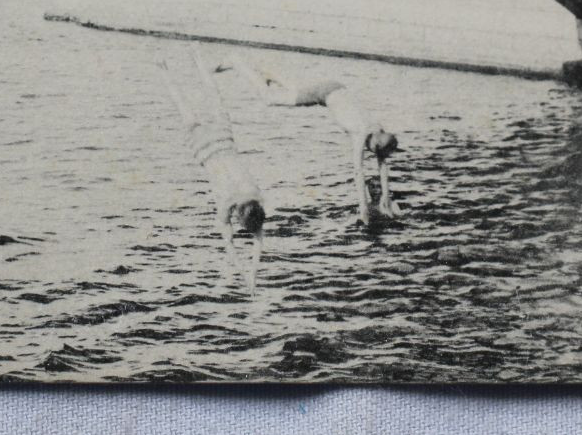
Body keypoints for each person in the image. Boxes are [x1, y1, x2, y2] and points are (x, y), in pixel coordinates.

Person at [232, 55, 403, 225]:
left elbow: (383, 164)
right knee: (269, 98)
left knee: (298, 91)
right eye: (377, 153)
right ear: (376, 145)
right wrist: (363, 210)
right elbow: (359, 173)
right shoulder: (360, 133)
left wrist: (386, 196)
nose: (375, 156)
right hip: (324, 93)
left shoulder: (376, 129)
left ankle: (271, 75)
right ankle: (239, 64)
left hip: (336, 89)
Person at [159, 47, 265, 293]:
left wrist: (251, 276)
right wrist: (249, 278)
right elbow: (232, 244)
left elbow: (257, 239)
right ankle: (163, 69)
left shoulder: (256, 195)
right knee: (184, 107)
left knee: (214, 96)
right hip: (205, 149)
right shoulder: (226, 204)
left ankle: (196, 55)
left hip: (224, 141)